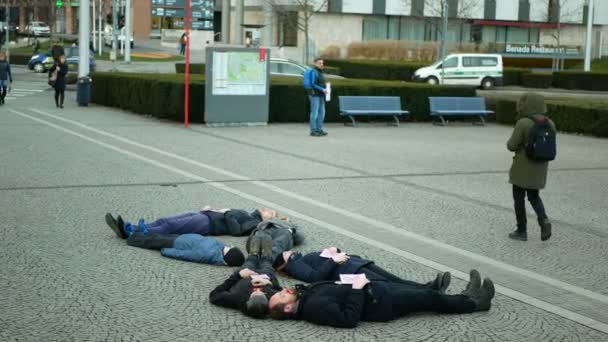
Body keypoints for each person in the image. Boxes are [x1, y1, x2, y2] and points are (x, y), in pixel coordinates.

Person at [268, 269, 495, 328]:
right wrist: (357, 289)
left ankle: (468, 295)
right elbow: (348, 318)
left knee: (429, 295)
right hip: (384, 305)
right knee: (428, 298)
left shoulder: (305, 296)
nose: (284, 290)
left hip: (377, 291)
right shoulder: (313, 308)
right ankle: (475, 303)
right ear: (288, 309)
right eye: (281, 296)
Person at [273, 247, 451, 293]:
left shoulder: (300, 259)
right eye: (288, 252)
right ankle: (432, 290)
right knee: (392, 284)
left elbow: (320, 264)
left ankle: (430, 287)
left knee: (395, 281)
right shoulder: (294, 264)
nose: (292, 251)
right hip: (352, 272)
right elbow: (315, 277)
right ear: (285, 260)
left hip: (355, 264)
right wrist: (334, 259)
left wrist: (332, 252)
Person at [506, 93, 556, 242]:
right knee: (534, 196)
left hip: (522, 166)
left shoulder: (523, 123)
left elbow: (511, 145)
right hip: (540, 167)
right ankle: (544, 221)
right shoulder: (550, 123)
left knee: (519, 197)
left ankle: (522, 231)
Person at [209, 233, 282, 318]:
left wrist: (238, 275)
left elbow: (214, 295)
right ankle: (266, 255)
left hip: (245, 275)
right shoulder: (272, 298)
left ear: (248, 299)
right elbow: (281, 290)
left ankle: (253, 254)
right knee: (267, 263)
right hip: (266, 275)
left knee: (250, 262)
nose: (258, 290)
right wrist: (270, 282)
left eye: (254, 293)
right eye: (262, 293)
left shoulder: (236, 299)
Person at [104, 207, 280, 239]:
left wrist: (226, 214)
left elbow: (235, 230)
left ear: (267, 218)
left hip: (208, 225)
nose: (264, 209)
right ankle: (131, 228)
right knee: (164, 221)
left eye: (268, 211)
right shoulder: (248, 213)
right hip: (205, 215)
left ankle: (132, 234)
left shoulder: (253, 223)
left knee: (170, 227)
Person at [125, 232, 245, 267]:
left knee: (151, 242)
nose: (231, 246)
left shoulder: (208, 255)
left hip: (176, 244)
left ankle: (130, 237)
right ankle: (139, 232)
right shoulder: (219, 248)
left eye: (232, 248)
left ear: (229, 253)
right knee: (156, 236)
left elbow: (186, 255)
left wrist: (166, 251)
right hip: (182, 238)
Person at [305, 58, 328, 137]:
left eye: (322, 63)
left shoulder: (320, 72)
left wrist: (326, 87)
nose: (321, 64)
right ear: (315, 63)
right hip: (314, 95)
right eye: (319, 63)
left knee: (322, 112)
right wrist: (322, 89)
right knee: (314, 113)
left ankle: (319, 129)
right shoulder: (313, 71)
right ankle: (313, 130)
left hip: (321, 95)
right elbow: (313, 84)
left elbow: (320, 83)